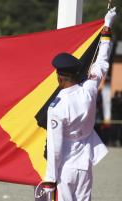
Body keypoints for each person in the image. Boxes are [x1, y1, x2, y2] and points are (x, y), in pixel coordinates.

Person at [43, 8, 116, 201]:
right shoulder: (89, 89)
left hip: (65, 166)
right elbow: (102, 62)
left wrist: (49, 178)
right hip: (85, 163)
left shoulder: (57, 107)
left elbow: (55, 146)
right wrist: (107, 27)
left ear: (59, 76)